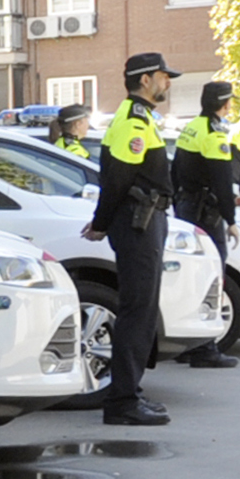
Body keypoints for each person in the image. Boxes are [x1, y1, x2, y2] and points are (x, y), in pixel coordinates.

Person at [83, 53, 177, 427]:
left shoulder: (140, 118)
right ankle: (122, 400)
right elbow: (118, 179)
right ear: (145, 80)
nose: (167, 83)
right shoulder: (133, 122)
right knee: (138, 310)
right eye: (163, 77)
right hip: (138, 223)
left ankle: (129, 392)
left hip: (146, 221)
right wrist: (101, 223)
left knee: (142, 309)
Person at [172, 81, 240, 370]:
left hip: (187, 207)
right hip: (207, 214)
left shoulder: (191, 128)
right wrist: (231, 219)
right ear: (223, 104)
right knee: (212, 277)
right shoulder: (215, 134)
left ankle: (188, 344)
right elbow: (222, 181)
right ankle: (205, 349)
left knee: (190, 276)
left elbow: (174, 170)